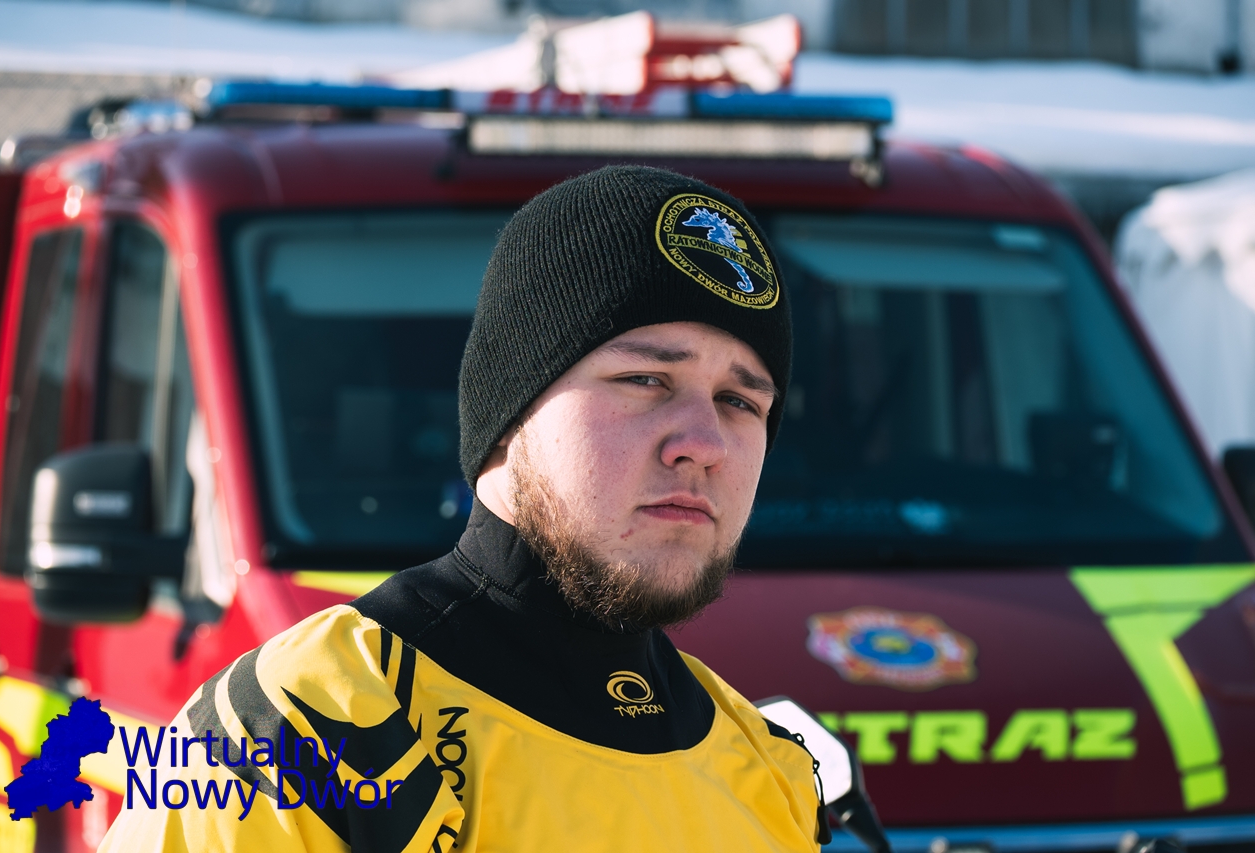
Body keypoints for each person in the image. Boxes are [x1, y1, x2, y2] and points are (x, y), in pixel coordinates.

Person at [101, 165, 823, 852]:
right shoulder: (300, 726)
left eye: (740, 401)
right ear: (510, 410)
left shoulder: (768, 766)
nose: (704, 443)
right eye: (645, 378)